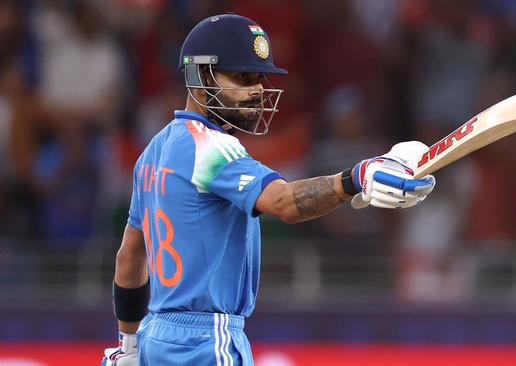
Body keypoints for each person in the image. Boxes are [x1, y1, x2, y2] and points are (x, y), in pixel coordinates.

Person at [101, 13, 435, 366]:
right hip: (207, 342)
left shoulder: (154, 151)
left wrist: (130, 344)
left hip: (156, 337)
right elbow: (284, 202)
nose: (258, 90)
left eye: (260, 78)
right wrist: (355, 179)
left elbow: (129, 259)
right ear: (200, 79)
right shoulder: (213, 148)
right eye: (243, 77)